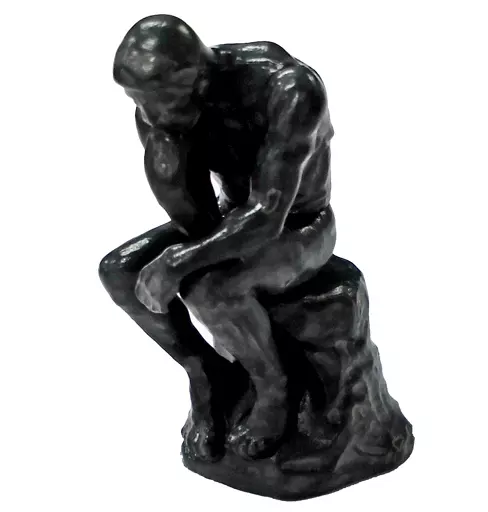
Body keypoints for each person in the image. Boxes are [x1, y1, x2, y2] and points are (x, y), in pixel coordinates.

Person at [99, 14, 336, 461]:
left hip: (302, 224)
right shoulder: (161, 109)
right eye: (136, 101)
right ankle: (205, 372)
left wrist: (180, 262)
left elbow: (268, 214)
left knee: (211, 289)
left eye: (155, 102)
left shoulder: (289, 88)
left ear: (198, 79)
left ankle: (275, 388)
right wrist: (166, 156)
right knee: (118, 270)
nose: (146, 115)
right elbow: (195, 215)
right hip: (232, 218)